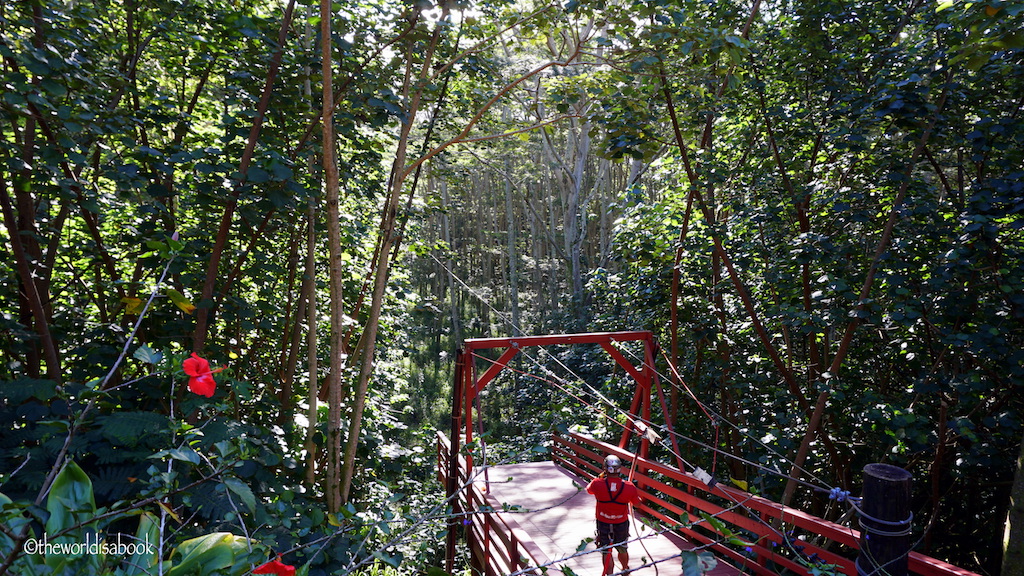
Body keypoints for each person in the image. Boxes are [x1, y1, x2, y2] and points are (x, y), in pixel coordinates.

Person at [587, 454, 642, 575]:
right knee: (622, 548)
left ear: (605, 468)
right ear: (619, 469)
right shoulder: (629, 487)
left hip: (603, 521)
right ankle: (625, 568)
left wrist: (601, 477)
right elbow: (637, 504)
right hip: (620, 522)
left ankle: (609, 573)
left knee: (606, 550)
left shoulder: (597, 483)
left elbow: (589, 490)